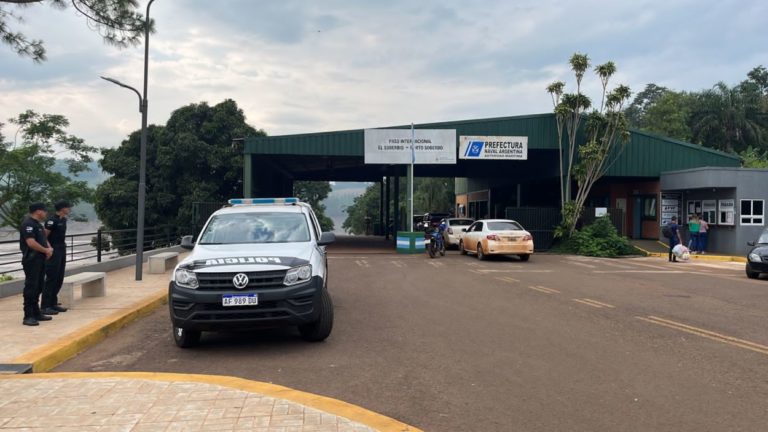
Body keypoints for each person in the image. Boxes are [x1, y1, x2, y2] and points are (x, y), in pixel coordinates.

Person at [19, 203, 54, 326]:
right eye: (45, 211)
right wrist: (45, 250)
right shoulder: (28, 223)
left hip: (41, 259)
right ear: (38, 211)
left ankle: (36, 312)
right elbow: (31, 242)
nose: (46, 213)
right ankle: (28, 315)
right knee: (31, 286)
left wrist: (49, 248)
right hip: (32, 260)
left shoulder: (38, 225)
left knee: (39, 286)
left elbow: (43, 239)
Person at [42, 200, 71, 314]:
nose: (69, 209)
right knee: (51, 278)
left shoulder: (63, 220)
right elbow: (44, 237)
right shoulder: (51, 221)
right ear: (62, 208)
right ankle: (45, 305)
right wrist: (49, 249)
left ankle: (53, 303)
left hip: (61, 249)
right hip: (54, 251)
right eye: (68, 207)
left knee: (59, 278)